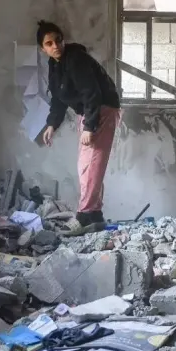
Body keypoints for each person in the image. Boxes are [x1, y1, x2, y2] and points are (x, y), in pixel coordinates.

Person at [37, 20, 122, 235]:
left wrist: (89, 127)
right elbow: (58, 97)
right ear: (43, 49)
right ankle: (95, 215)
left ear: (63, 40)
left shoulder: (76, 59)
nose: (55, 45)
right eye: (49, 43)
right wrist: (51, 125)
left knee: (90, 166)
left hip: (101, 109)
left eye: (58, 40)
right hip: (87, 113)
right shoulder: (55, 65)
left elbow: (91, 93)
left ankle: (84, 216)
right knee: (89, 165)